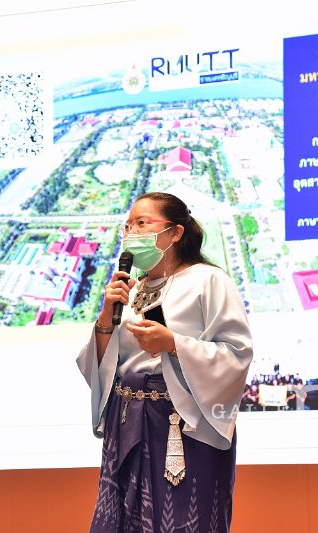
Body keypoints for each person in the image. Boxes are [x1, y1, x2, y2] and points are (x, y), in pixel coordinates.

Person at [76, 192, 253, 532]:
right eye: (127, 226)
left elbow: (237, 353)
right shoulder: (130, 290)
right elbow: (101, 368)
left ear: (175, 232)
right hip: (127, 421)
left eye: (142, 223)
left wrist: (173, 344)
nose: (131, 233)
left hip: (181, 426)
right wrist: (106, 316)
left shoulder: (208, 280)